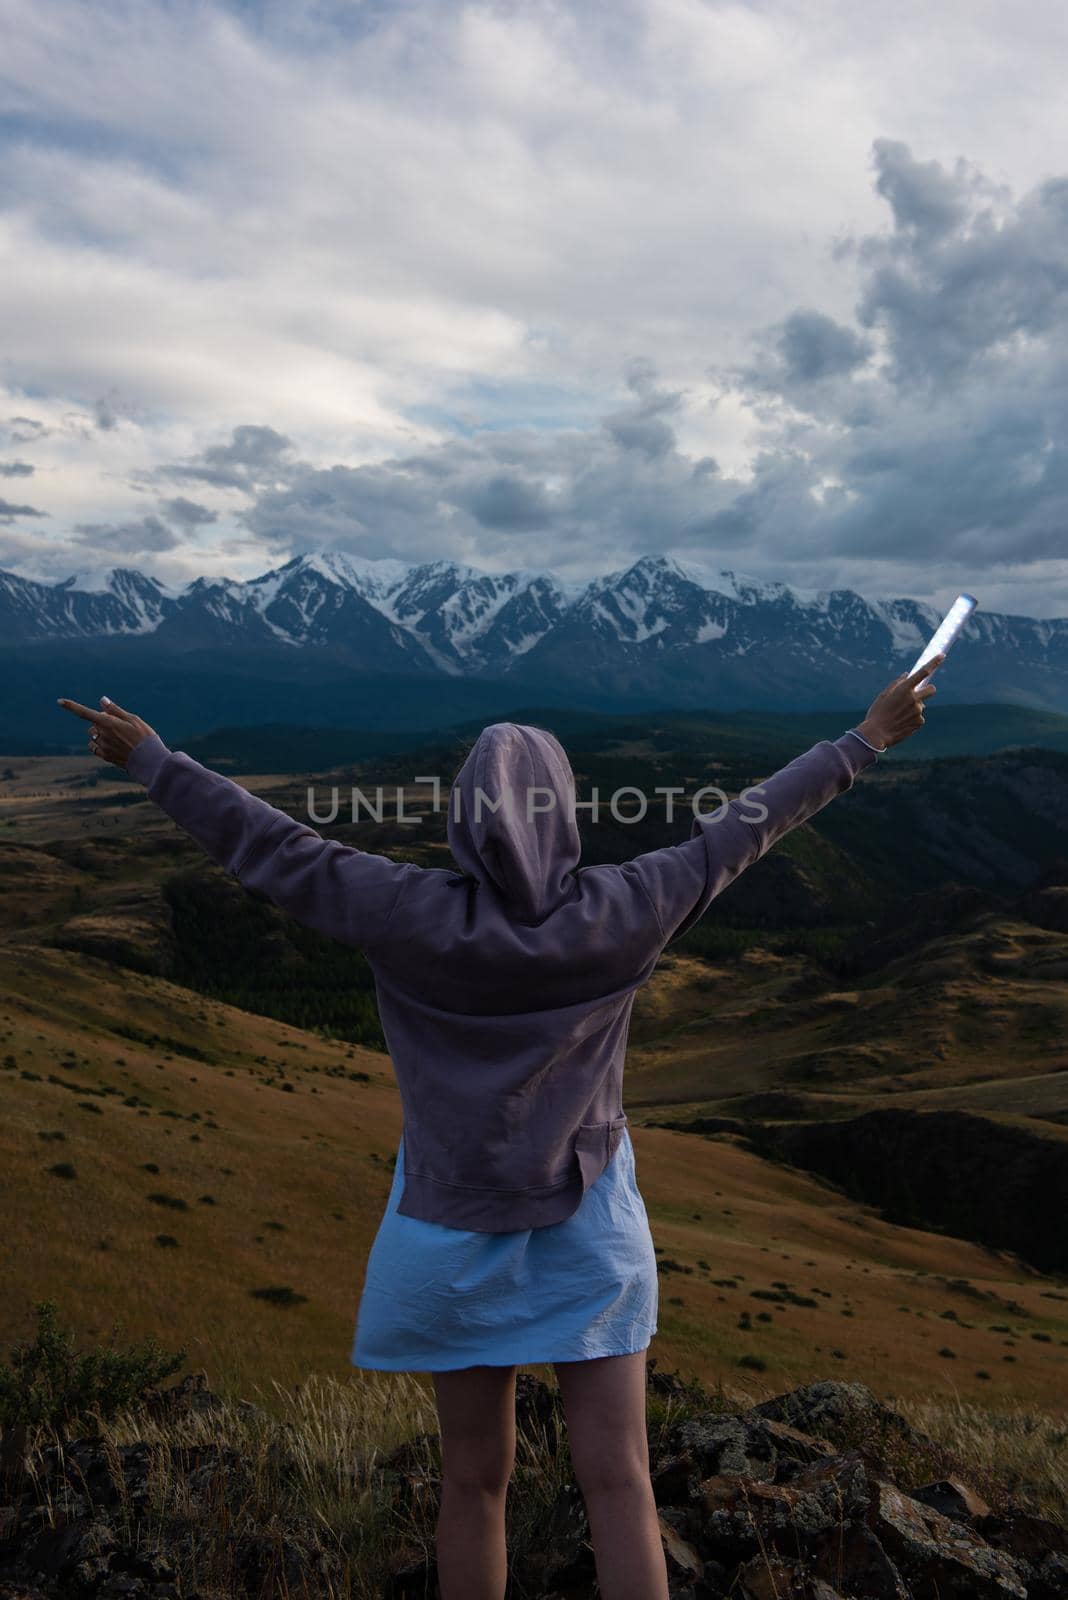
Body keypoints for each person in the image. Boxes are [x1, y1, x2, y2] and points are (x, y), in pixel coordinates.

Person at [57, 652, 941, 1600]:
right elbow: (749, 825)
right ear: (563, 812)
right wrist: (866, 738)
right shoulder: (630, 905)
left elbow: (267, 845)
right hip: (590, 1228)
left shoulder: (402, 911)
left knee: (474, 1482)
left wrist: (153, 759)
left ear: (462, 820)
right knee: (619, 1479)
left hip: (445, 1230)